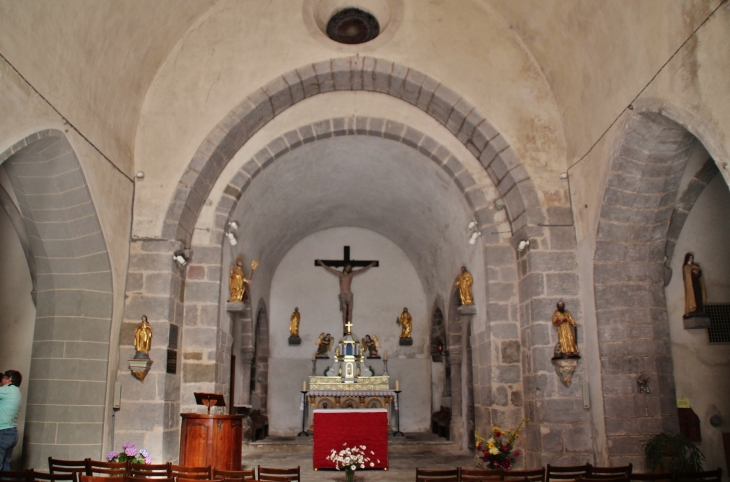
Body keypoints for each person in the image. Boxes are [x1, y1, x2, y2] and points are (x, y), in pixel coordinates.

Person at [316, 260, 376, 331]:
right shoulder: (340, 274)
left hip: (349, 295)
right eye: (347, 267)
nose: (348, 269)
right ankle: (344, 326)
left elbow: (361, 270)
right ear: (345, 267)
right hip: (343, 295)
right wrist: (322, 264)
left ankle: (349, 326)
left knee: (350, 310)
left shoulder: (351, 274)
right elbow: (330, 269)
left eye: (350, 268)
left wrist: (370, 265)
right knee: (344, 310)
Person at [0, 370, 22, 472]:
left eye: (3, 378)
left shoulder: (7, 390)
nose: (2, 380)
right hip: (12, 432)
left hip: (3, 432)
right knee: (5, 467)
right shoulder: (17, 391)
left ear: (10, 380)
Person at [682, 253, 706, 318]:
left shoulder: (695, 266)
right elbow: (688, 278)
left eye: (692, 258)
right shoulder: (686, 267)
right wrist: (693, 271)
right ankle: (693, 309)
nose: (691, 259)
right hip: (691, 285)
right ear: (687, 259)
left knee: (699, 296)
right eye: (690, 258)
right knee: (694, 296)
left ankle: (699, 309)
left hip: (697, 284)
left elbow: (699, 276)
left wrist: (698, 272)